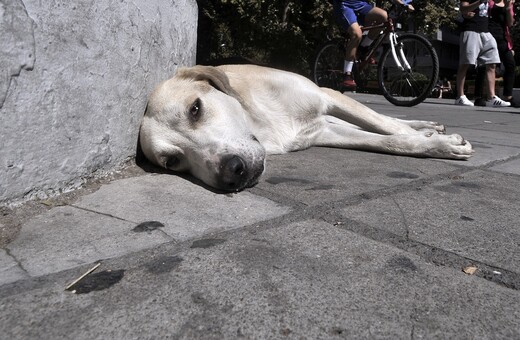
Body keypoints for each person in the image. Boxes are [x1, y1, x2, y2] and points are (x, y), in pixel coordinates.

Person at [332, 0, 414, 91]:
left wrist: (403, 4)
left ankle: (363, 49)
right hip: (344, 5)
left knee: (384, 17)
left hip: (360, 4)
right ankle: (347, 74)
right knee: (356, 34)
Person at [455, 0, 511, 107]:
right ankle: (460, 96)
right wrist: (478, 2)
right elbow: (463, 9)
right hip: (471, 30)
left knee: (492, 63)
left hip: (485, 32)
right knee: (465, 64)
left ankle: (491, 97)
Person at [473, 0, 517, 107]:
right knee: (484, 66)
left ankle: (508, 96)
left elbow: (510, 23)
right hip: (488, 35)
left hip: (502, 38)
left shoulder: (508, 4)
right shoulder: (489, 3)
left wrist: (507, 8)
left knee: (510, 64)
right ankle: (478, 96)